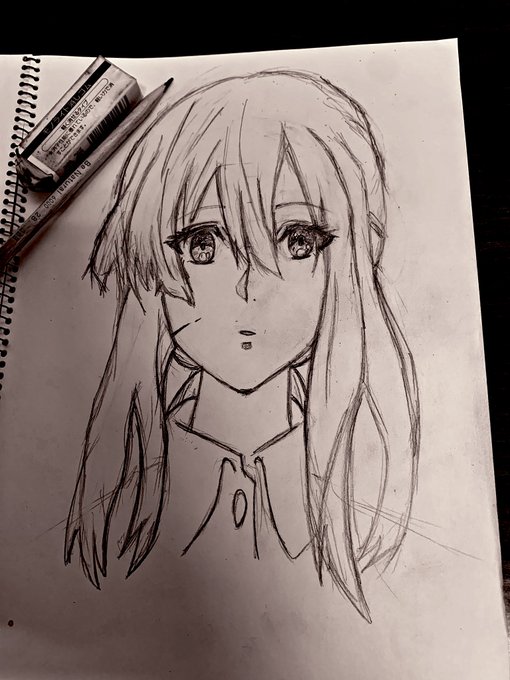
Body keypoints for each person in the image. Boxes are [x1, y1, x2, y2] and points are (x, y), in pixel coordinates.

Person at [64, 70, 420, 622]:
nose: (250, 287)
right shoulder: (126, 495)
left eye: (298, 241)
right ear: (147, 258)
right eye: (203, 244)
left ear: (352, 258)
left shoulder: (363, 496)